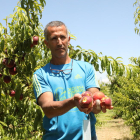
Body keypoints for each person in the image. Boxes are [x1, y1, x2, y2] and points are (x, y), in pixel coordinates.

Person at [33, 21, 113, 140]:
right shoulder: (41, 74)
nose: (59, 42)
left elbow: (94, 96)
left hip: (86, 136)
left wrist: (97, 105)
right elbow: (48, 109)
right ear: (47, 43)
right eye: (54, 38)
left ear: (69, 40)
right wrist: (73, 102)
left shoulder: (86, 68)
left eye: (63, 37)